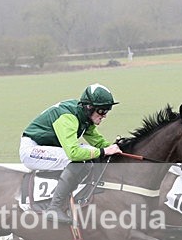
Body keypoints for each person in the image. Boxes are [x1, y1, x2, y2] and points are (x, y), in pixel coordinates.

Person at [19, 83, 122, 223]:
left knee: (91, 153)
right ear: (89, 107)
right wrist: (103, 151)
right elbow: (73, 153)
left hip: (48, 148)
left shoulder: (84, 117)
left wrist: (119, 148)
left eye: (107, 111)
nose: (105, 116)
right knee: (78, 160)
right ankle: (54, 208)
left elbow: (98, 143)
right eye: (102, 111)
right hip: (32, 150)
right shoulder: (68, 117)